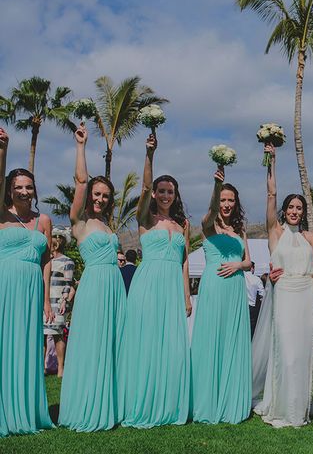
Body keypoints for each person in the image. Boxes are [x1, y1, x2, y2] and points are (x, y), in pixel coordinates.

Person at [117, 132, 192, 428]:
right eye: (161, 191)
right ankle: (142, 402)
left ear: (175, 195)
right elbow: (144, 186)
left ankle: (169, 403)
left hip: (172, 287)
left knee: (172, 347)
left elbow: (185, 262)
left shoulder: (182, 224)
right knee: (146, 344)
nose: (164, 195)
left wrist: (186, 295)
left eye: (169, 191)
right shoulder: (146, 219)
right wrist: (149, 155)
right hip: (148, 285)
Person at [252, 143, 313, 428]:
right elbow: (270, 193)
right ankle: (280, 404)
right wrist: (272, 161)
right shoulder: (276, 231)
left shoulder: (310, 237)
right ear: (284, 210)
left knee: (303, 350)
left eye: (299, 208)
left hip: (307, 296)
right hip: (283, 294)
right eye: (291, 207)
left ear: (304, 211)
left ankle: (300, 408)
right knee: (285, 349)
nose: (295, 211)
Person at [59, 124, 126, 432]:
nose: (100, 199)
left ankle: (110, 405)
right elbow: (81, 180)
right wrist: (81, 146)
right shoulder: (80, 222)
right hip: (95, 289)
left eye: (105, 196)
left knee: (112, 346)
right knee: (92, 345)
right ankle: (86, 406)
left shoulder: (108, 226)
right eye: (97, 194)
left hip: (115, 290)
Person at [0, 128, 54, 437]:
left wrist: (46, 299)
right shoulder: (0, 214)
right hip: (5, 284)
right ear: (9, 190)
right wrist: (3, 151)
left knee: (26, 347)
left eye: (29, 187)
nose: (24, 191)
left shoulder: (43, 221)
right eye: (18, 187)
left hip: (32, 288)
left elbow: (46, 260)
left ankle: (26, 408)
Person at [190, 164, 252, 424]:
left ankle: (231, 401)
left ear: (236, 203)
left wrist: (239, 264)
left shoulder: (240, 230)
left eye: (230, 200)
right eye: (223, 200)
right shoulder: (208, 226)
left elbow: (249, 262)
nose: (226, 205)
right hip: (214, 288)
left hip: (236, 288)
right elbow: (211, 211)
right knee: (212, 340)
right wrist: (217, 185)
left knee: (233, 341)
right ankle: (209, 401)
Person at [44, 227, 75, 378]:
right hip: (44, 300)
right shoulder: (44, 260)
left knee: (57, 335)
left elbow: (68, 284)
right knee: (43, 334)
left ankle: (60, 367)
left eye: (58, 236)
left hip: (58, 302)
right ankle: (42, 367)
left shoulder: (67, 261)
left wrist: (64, 301)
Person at [245, 261, 265, 338]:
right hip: (251, 307)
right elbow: (262, 294)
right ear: (252, 268)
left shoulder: (240, 278)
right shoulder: (256, 279)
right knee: (251, 329)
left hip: (240, 306)